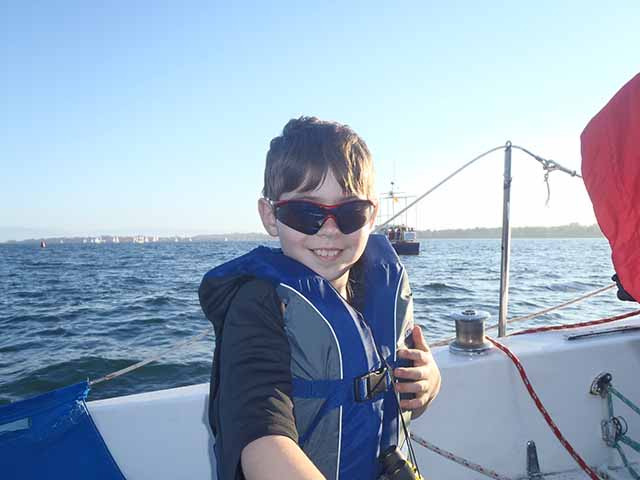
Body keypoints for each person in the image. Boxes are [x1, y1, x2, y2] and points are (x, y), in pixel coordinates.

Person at [199, 116, 441, 480]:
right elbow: (262, 437)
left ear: (371, 216)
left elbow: (403, 398)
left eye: (350, 213)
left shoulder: (379, 287)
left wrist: (429, 382)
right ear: (270, 216)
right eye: (305, 213)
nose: (329, 230)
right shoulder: (258, 305)